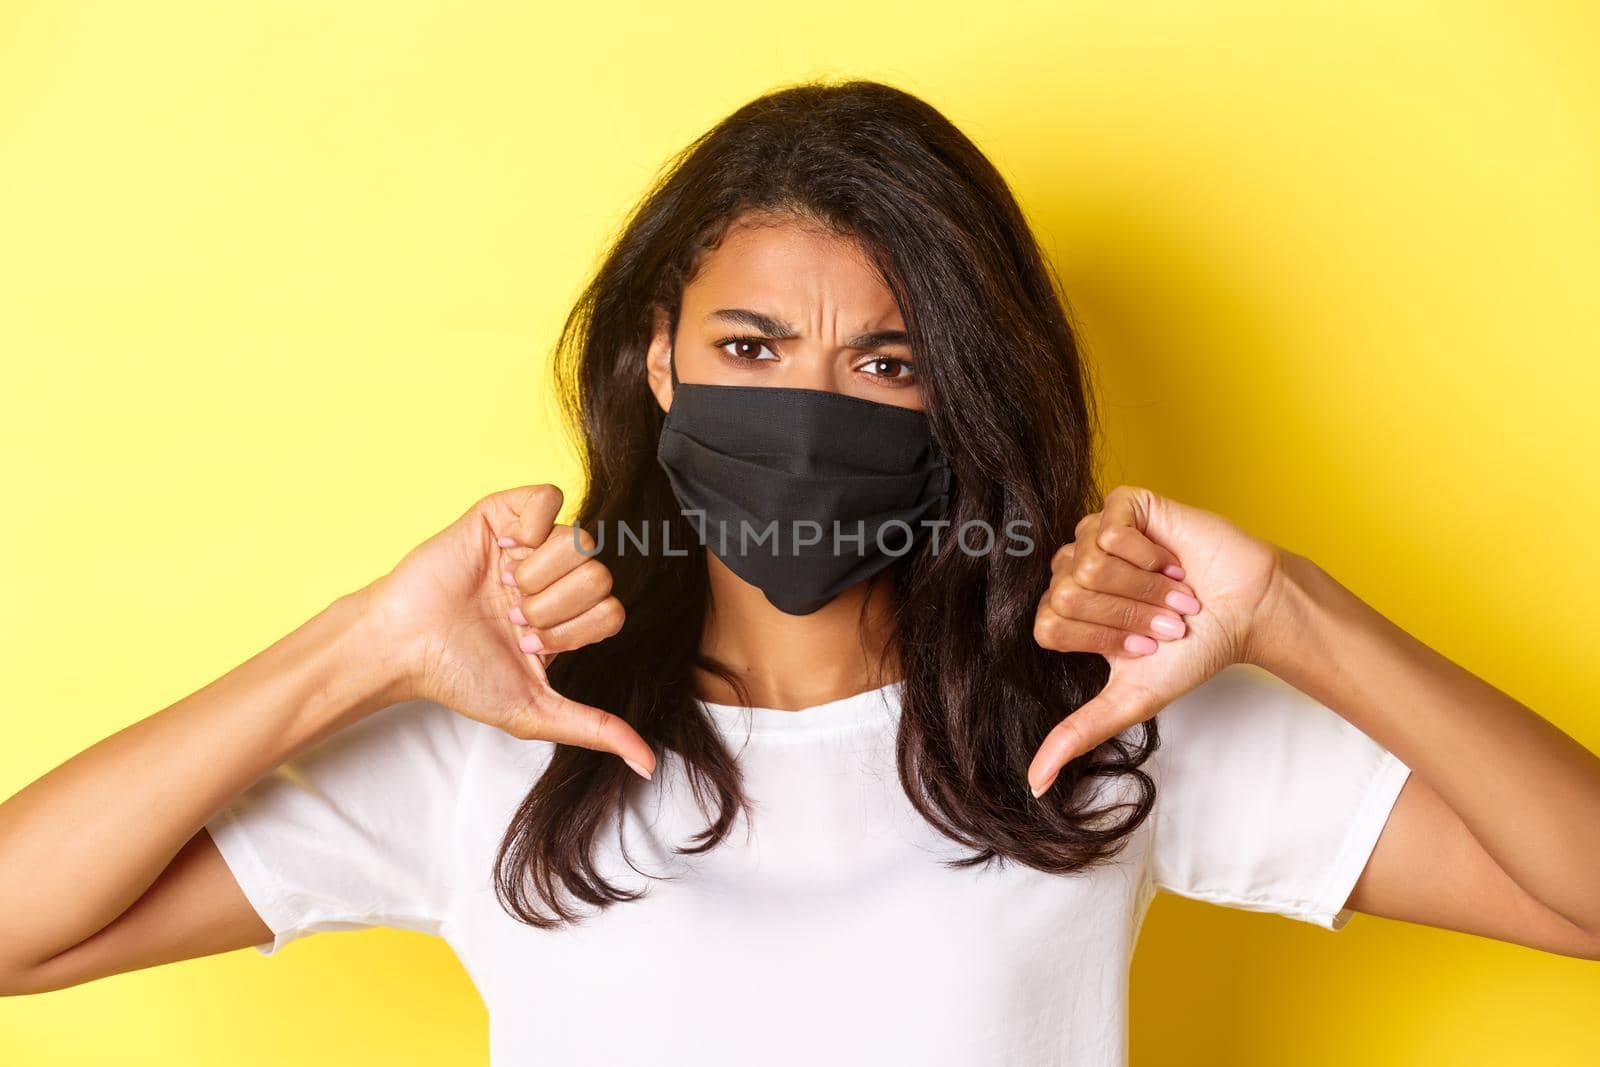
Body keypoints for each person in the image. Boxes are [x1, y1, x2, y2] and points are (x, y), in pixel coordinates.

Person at [2, 78, 1597, 1066]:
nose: (812, 411)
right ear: (662, 366)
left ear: (964, 396)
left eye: (889, 363)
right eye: (753, 347)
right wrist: (356, 649)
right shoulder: (501, 742)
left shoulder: (1091, 729)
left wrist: (1289, 615)